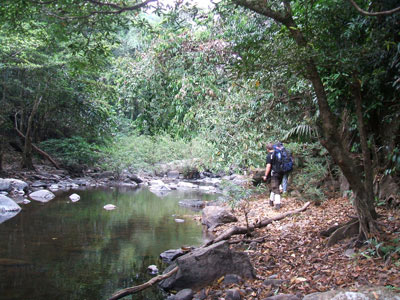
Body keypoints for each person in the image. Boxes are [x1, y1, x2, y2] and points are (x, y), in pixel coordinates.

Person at [263, 143, 283, 210]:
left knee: (275, 188)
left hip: (274, 173)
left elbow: (268, 166)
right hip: (281, 172)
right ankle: (271, 201)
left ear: (267, 149)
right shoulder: (278, 154)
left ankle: (278, 204)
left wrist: (265, 175)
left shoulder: (269, 156)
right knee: (274, 186)